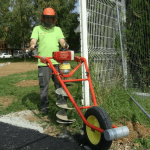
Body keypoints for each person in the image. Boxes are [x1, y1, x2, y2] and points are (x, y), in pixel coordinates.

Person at [30, 7, 69, 114]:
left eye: (50, 18)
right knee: (44, 85)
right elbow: (33, 40)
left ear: (53, 19)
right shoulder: (37, 29)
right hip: (43, 62)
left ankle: (62, 105)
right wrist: (32, 45)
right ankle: (44, 106)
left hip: (57, 61)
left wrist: (64, 44)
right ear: (43, 18)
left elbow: (62, 40)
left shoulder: (58, 29)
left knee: (60, 84)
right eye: (46, 17)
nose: (48, 19)